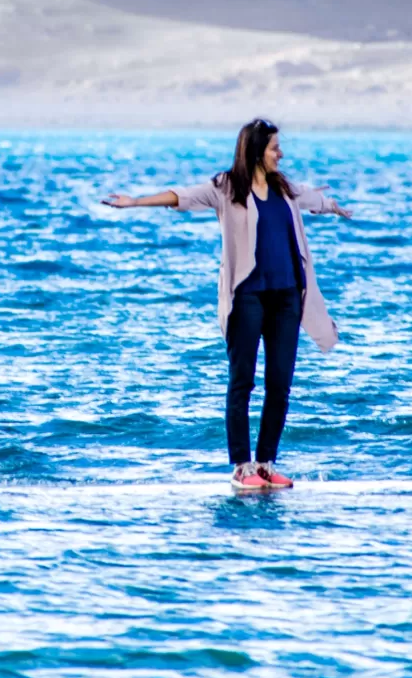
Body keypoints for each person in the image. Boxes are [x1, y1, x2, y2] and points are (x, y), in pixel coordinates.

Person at [102, 118, 351, 492]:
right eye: (274, 148)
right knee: (242, 382)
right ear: (255, 151)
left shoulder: (284, 187)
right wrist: (135, 202)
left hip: (286, 297)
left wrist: (332, 206)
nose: (280, 154)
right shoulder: (226, 187)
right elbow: (182, 196)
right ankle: (241, 467)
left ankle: (266, 465)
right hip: (247, 297)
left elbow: (310, 198)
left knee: (279, 384)